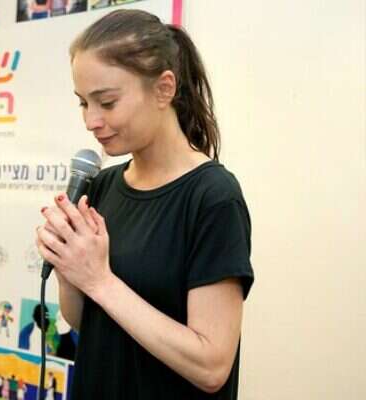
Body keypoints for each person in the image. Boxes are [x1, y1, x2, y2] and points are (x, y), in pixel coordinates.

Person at [35, 9, 254, 399]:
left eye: (107, 102)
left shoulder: (213, 197)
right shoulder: (101, 186)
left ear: (163, 89)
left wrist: (100, 280)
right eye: (83, 103)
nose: (91, 120)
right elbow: (86, 321)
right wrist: (70, 267)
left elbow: (211, 367)